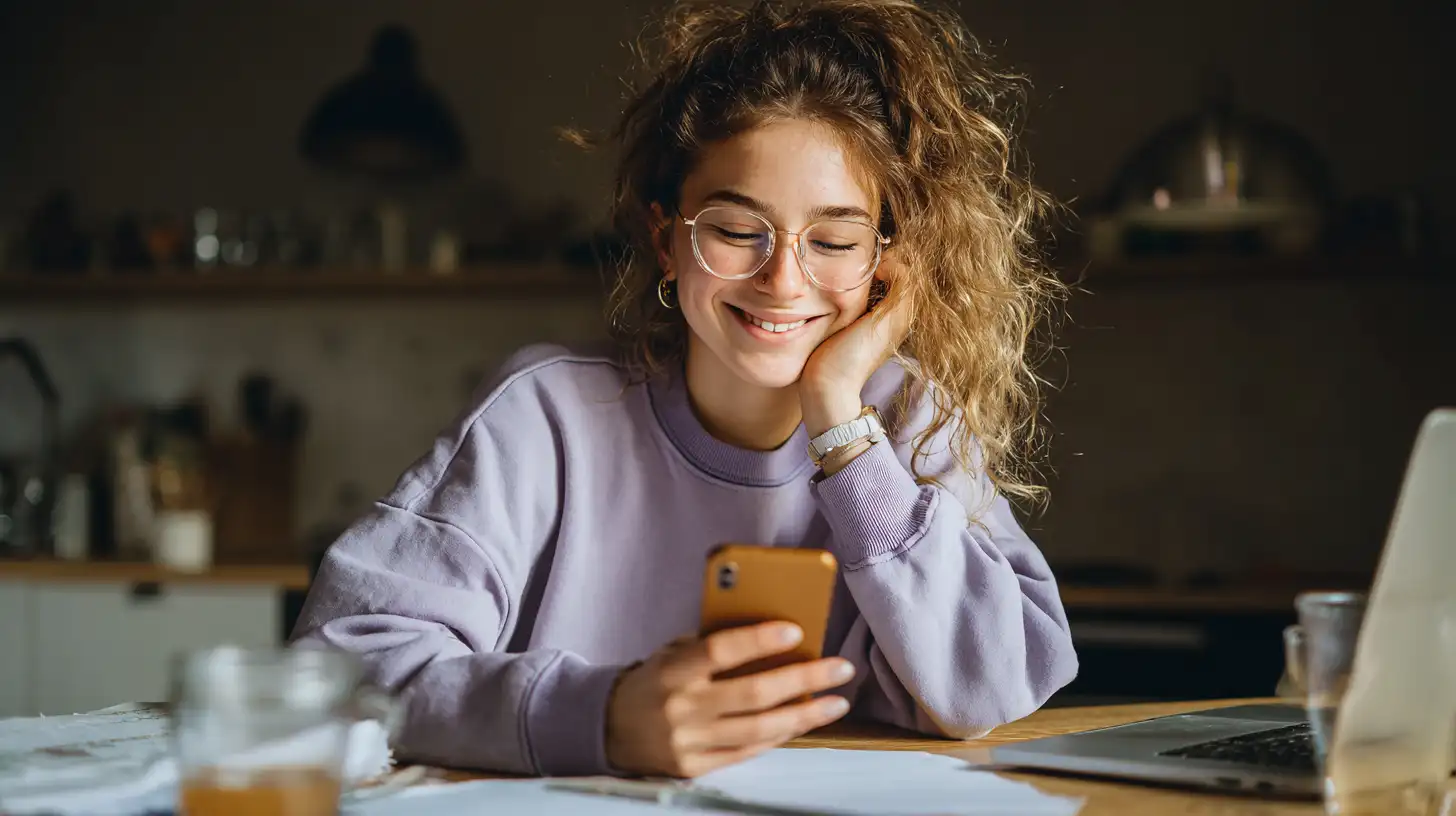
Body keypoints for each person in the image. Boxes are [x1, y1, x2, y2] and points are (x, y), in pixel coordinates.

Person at [292, 0, 1077, 779]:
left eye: (835, 241)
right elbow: (333, 671)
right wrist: (599, 717)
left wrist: (841, 422)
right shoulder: (545, 417)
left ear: (883, 264)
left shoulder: (908, 421)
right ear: (669, 241)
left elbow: (992, 691)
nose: (783, 281)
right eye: (737, 231)